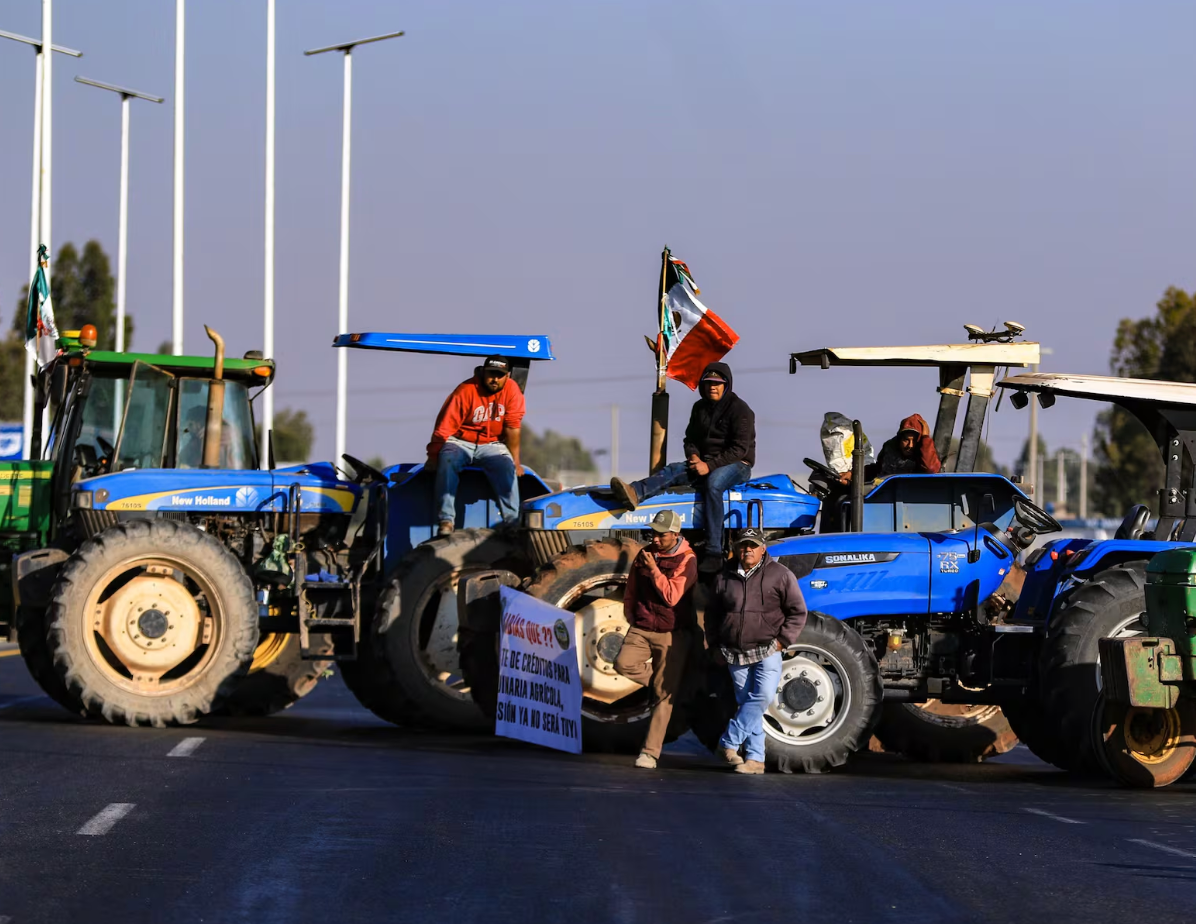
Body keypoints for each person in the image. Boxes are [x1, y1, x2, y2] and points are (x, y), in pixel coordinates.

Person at [610, 362, 755, 571]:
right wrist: (694, 456)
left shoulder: (741, 410)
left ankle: (714, 551)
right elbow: (690, 439)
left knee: (714, 484)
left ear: (726, 385)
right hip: (705, 462)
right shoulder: (699, 408)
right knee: (674, 470)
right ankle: (634, 492)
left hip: (736, 464)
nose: (712, 387)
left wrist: (710, 465)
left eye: (717, 383)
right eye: (708, 383)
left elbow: (740, 448)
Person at [705, 527, 807, 775]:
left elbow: (798, 611)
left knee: (761, 697)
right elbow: (711, 615)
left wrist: (782, 642)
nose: (747, 549)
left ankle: (728, 743)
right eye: (742, 545)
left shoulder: (781, 575)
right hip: (734, 653)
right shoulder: (723, 577)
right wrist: (715, 645)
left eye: (752, 545)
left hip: (768, 649)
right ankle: (755, 759)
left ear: (763, 548)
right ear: (736, 548)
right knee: (746, 705)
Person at [613, 509, 699, 769]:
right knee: (622, 664)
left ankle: (650, 753)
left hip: (671, 632)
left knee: (663, 696)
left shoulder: (688, 559)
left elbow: (672, 596)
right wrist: (631, 615)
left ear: (675, 534)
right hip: (642, 626)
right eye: (653, 533)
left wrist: (654, 571)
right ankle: (669, 684)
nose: (655, 539)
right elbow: (631, 587)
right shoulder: (645, 554)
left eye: (661, 535)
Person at [427, 355, 525, 536]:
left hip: (492, 443)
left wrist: (516, 461)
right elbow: (444, 427)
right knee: (447, 459)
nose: (494, 379)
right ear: (482, 372)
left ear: (507, 376)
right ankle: (446, 520)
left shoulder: (512, 391)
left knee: (506, 466)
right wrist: (433, 456)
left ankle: (512, 523)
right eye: (491, 374)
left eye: (499, 375)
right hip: (460, 441)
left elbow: (513, 428)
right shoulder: (465, 390)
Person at [838, 413, 941, 485]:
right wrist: (853, 474)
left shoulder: (924, 455)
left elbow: (930, 469)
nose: (910, 445)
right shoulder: (890, 450)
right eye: (906, 440)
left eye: (914, 441)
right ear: (899, 439)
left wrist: (926, 438)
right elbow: (877, 470)